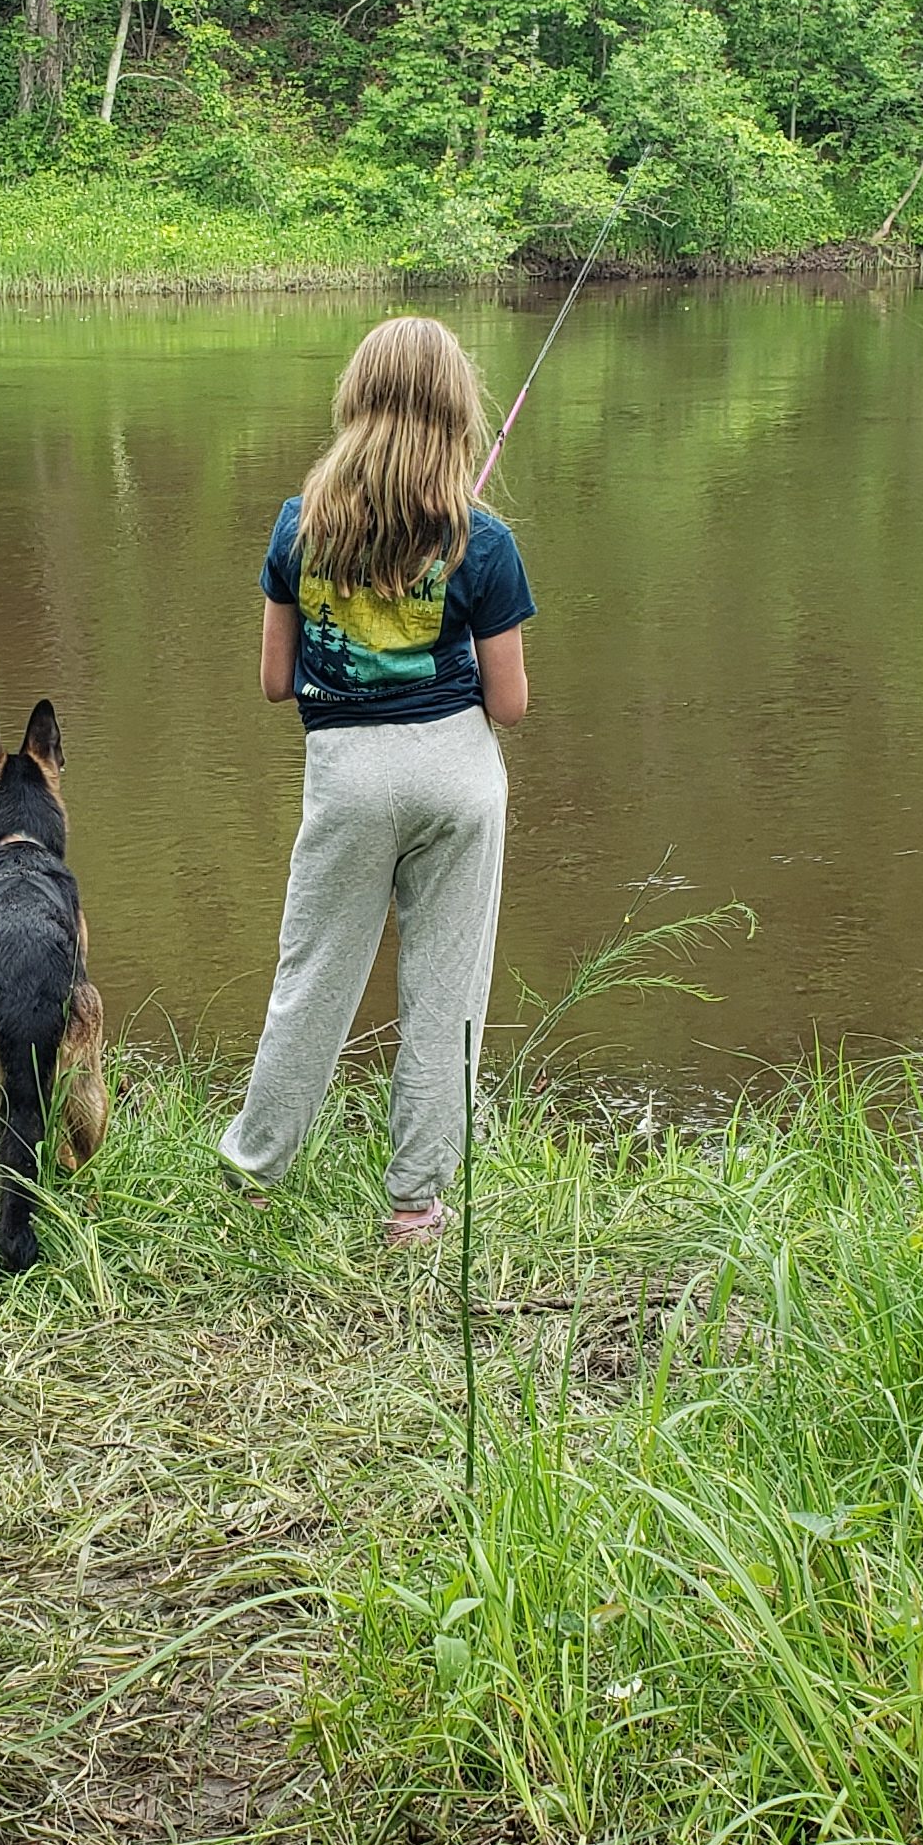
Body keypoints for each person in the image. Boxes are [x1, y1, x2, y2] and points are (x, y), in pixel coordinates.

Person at [219, 314, 534, 1246]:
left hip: (347, 780)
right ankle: (414, 1209)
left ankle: (255, 1173)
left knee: (311, 978)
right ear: (458, 415)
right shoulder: (483, 541)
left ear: (355, 403)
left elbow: (277, 684)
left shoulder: (297, 527)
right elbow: (511, 705)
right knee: (445, 996)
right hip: (457, 778)